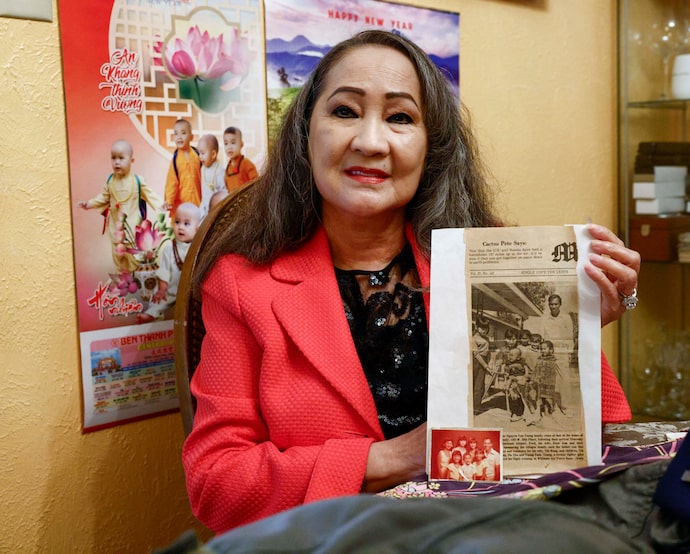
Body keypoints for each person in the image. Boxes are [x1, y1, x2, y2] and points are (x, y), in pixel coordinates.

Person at [182, 30, 639, 533]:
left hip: (501, 532)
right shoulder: (242, 285)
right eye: (344, 111)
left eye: (400, 118)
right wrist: (397, 457)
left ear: (431, 147)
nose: (370, 142)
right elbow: (217, 484)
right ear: (305, 133)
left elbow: (601, 438)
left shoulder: (492, 255)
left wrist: (576, 332)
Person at [77, 139, 163, 272]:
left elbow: (150, 195)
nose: (117, 162)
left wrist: (162, 205)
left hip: (133, 228)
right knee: (118, 255)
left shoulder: (137, 181)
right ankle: (124, 279)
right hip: (116, 228)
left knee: (135, 256)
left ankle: (136, 278)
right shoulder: (110, 181)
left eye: (121, 158)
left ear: (132, 160)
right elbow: (103, 198)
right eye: (113, 158)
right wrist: (89, 204)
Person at [136, 202, 200, 323]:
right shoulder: (170, 247)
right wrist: (162, 289)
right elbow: (164, 270)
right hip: (172, 289)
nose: (180, 227)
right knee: (160, 301)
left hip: (190, 289)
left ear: (197, 230)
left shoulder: (197, 248)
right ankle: (151, 315)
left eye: (186, 224)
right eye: (177, 222)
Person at [164, 119, 201, 217]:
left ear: (191, 137)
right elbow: (171, 182)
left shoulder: (197, 155)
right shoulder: (176, 160)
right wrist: (169, 201)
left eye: (183, 133)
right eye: (176, 134)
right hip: (181, 204)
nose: (179, 137)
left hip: (198, 201)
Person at [197, 133, 228, 221]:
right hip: (204, 205)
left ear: (213, 154)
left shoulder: (219, 171)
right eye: (199, 153)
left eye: (203, 153)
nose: (200, 156)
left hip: (214, 208)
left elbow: (223, 192)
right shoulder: (203, 168)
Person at [223, 126, 258, 192]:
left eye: (233, 143)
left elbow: (256, 184)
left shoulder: (247, 164)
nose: (229, 147)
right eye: (226, 143)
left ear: (241, 144)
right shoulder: (227, 169)